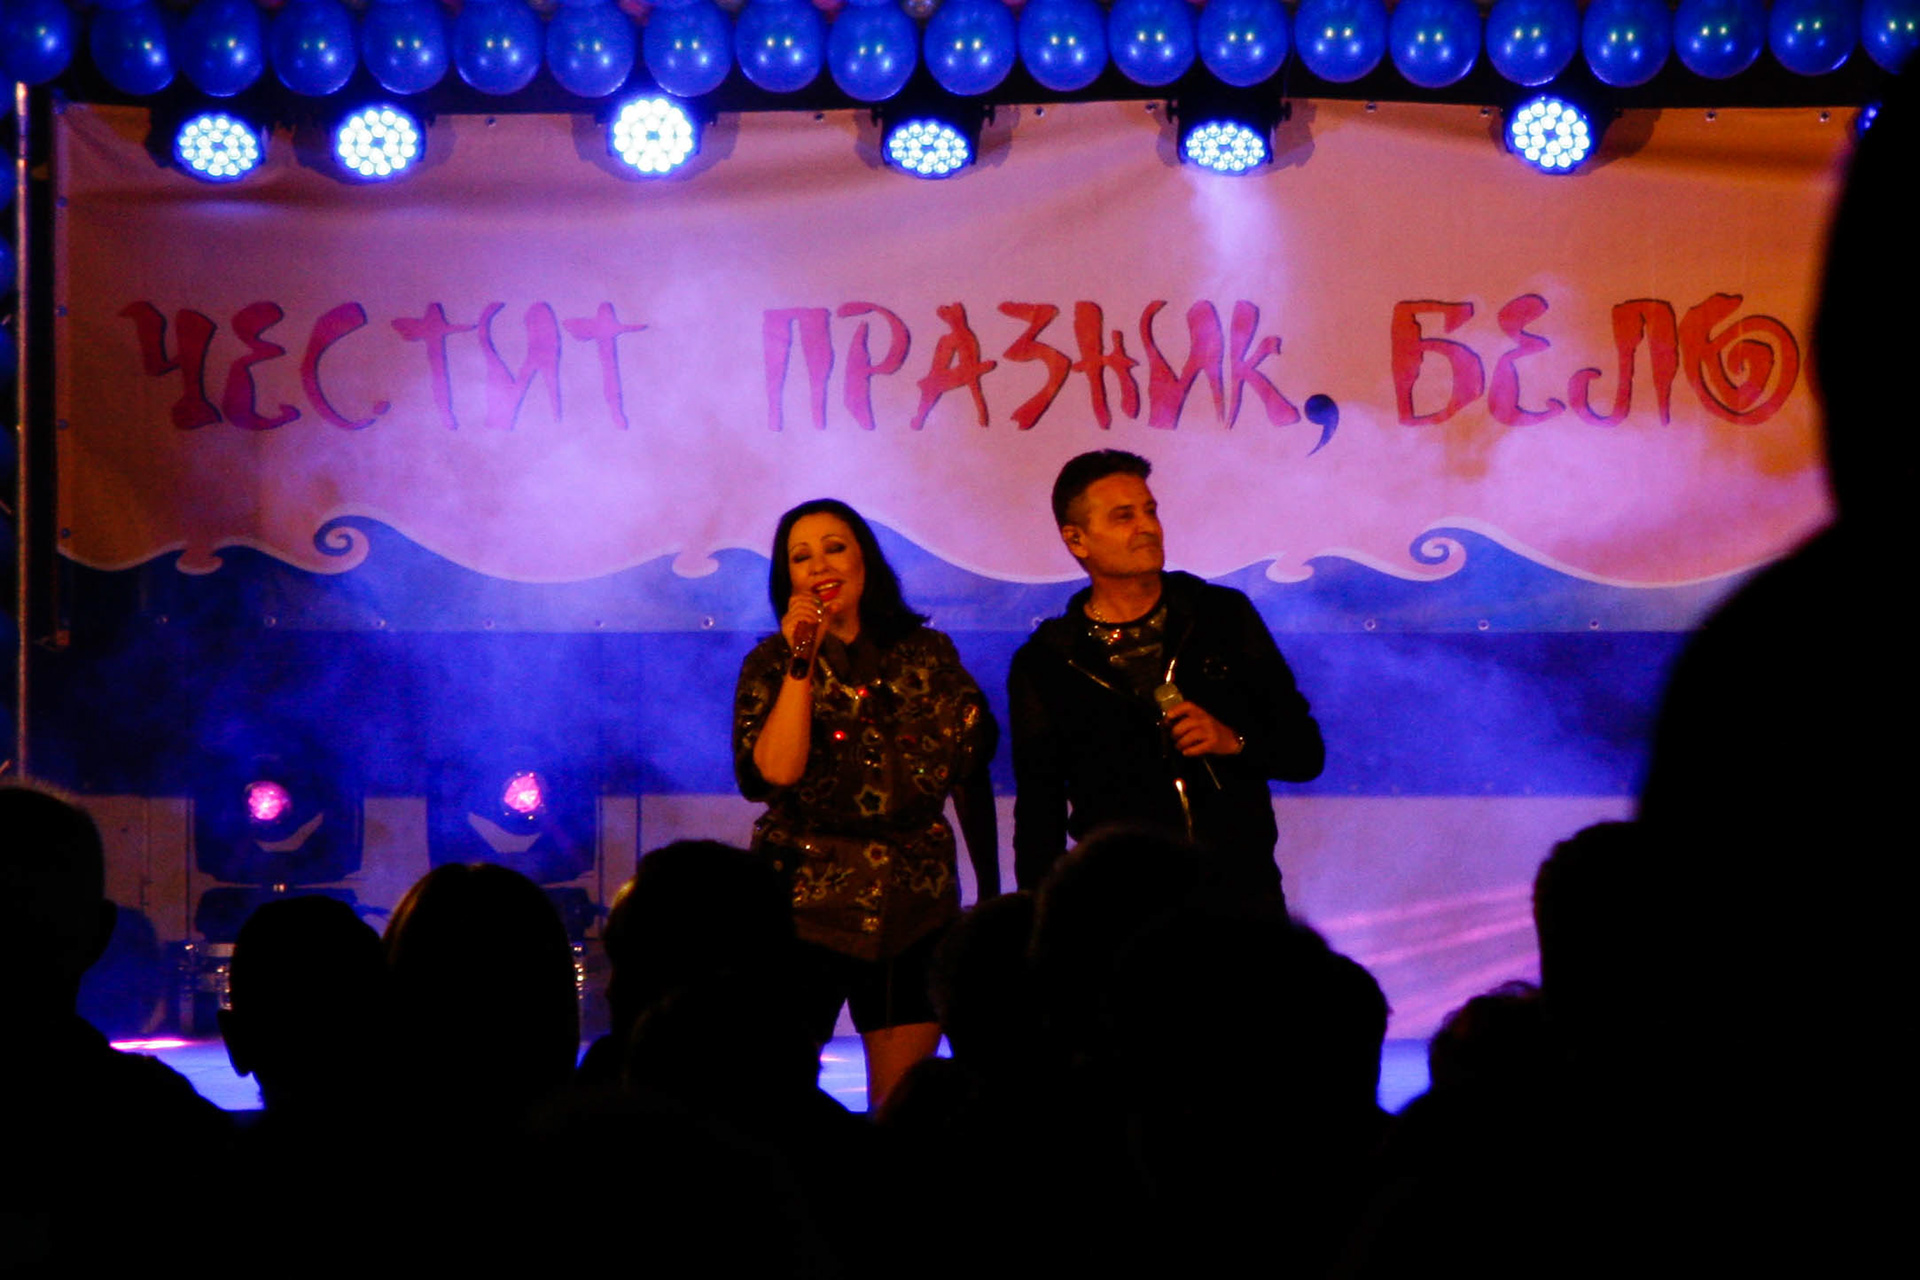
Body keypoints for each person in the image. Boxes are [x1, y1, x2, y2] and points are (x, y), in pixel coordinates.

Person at [734, 498, 999, 1106]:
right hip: (801, 902)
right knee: (776, 1095)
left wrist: (988, 889)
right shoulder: (771, 664)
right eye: (801, 557)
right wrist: (802, 660)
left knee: (902, 1104)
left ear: (865, 561)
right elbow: (774, 772)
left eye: (835, 548)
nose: (820, 566)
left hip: (914, 899)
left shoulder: (929, 655)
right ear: (787, 578)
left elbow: (969, 771)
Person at [1008, 450, 1324, 897]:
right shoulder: (1049, 662)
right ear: (1077, 540)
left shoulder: (1221, 616)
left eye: (1150, 511)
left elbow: (1306, 753)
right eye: (1124, 516)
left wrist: (1233, 741)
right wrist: (1038, 917)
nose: (1147, 527)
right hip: (1123, 906)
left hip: (1237, 897)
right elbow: (1039, 813)